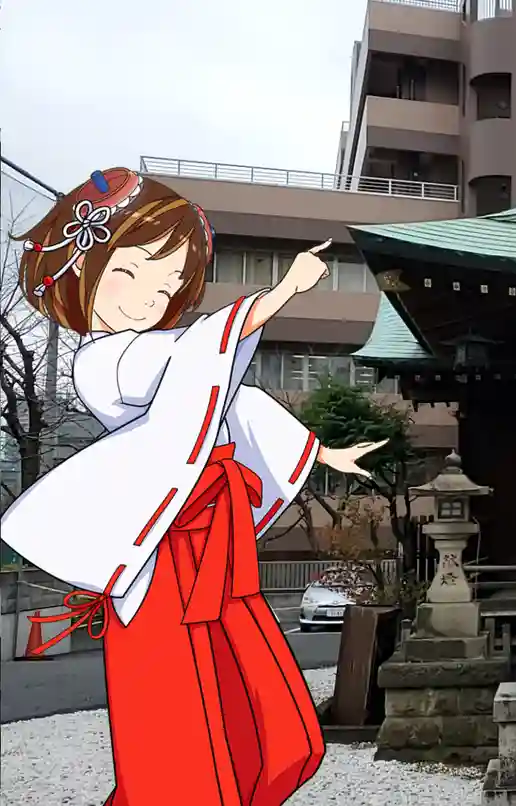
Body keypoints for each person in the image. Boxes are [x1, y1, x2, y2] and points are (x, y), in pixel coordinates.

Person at [3, 167, 383, 805]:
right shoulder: (103, 360)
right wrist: (281, 292)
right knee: (178, 703)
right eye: (131, 274)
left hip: (215, 543)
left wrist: (324, 453)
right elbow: (197, 360)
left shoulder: (175, 349)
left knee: (261, 706)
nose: (149, 298)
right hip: (164, 549)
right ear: (81, 273)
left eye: (167, 283)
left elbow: (235, 399)